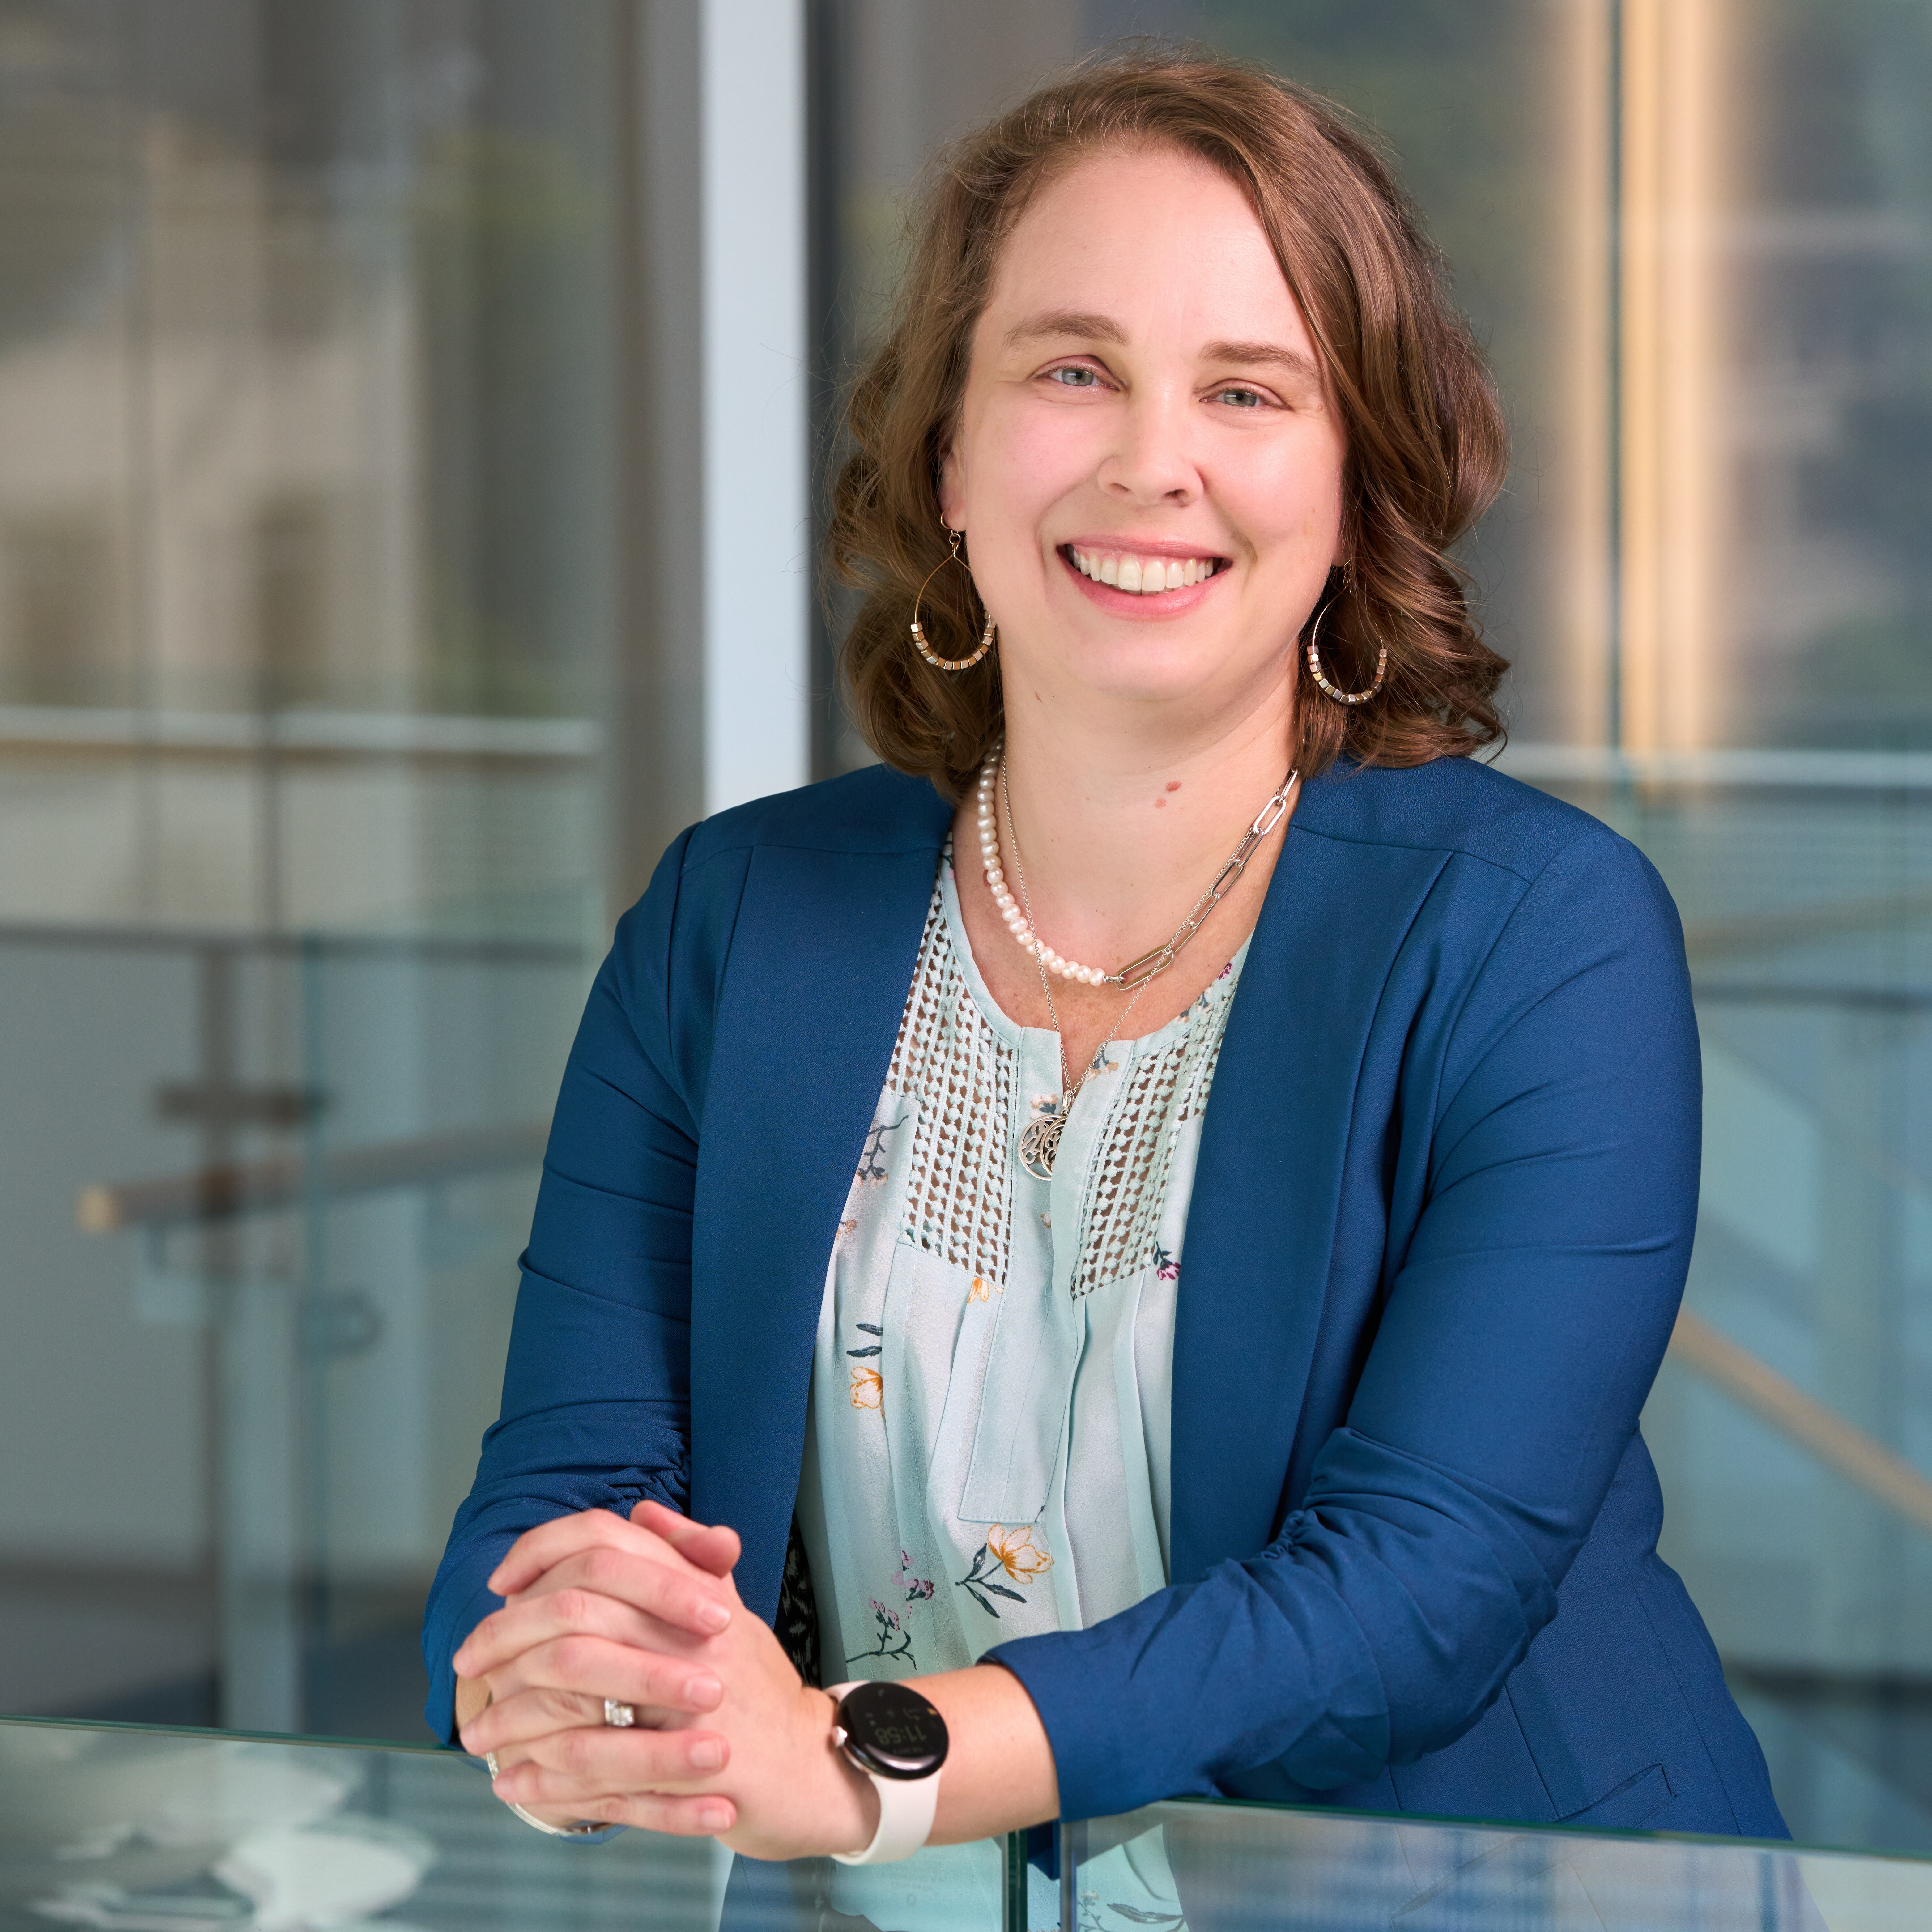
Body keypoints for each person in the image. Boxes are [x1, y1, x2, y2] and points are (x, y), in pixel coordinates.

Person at [424, 45, 1786, 1891]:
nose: (1155, 461)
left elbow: (1418, 1592)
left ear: (1353, 484)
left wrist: (864, 1760)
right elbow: (568, 1483)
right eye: (1073, 370)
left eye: (1249, 388)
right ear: (951, 456)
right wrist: (557, 1659)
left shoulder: (1541, 936)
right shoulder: (733, 916)